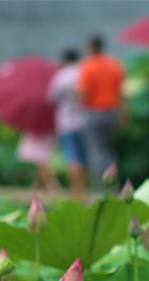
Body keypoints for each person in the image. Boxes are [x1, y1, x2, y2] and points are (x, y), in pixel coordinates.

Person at [77, 35, 124, 185]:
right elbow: (121, 91)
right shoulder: (113, 64)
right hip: (111, 112)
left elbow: (83, 93)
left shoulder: (87, 66)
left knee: (96, 151)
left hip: (93, 112)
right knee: (109, 150)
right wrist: (123, 115)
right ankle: (114, 184)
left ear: (91, 47)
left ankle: (101, 187)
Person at [47, 48, 87, 198]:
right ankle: (83, 187)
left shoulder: (60, 76)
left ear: (64, 60)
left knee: (72, 156)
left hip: (66, 122)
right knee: (85, 156)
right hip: (84, 120)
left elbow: (51, 98)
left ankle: (76, 190)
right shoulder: (83, 72)